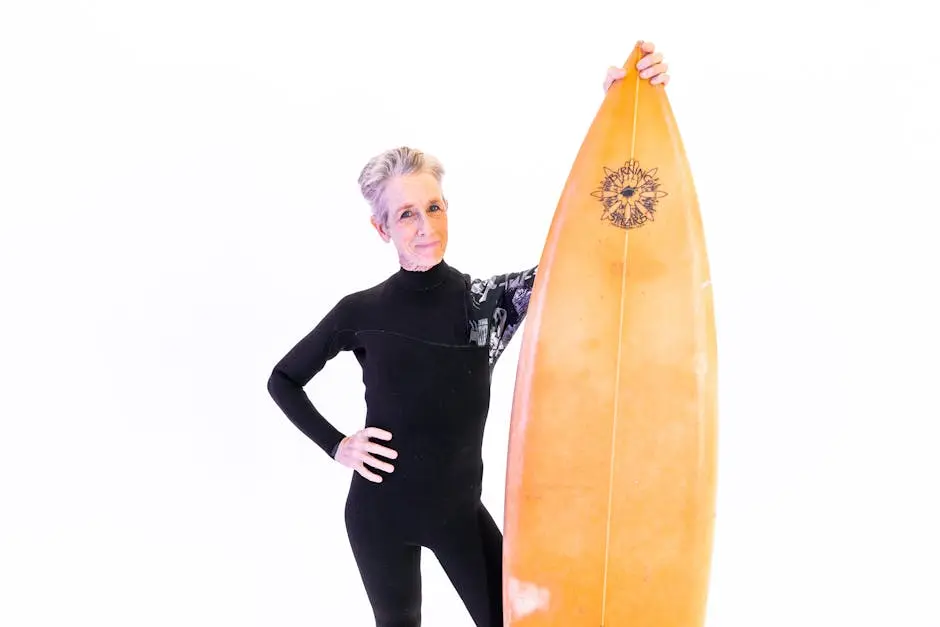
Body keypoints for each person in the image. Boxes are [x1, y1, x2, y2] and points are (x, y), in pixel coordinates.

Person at [266, 41, 671, 627]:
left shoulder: (487, 305)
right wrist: (338, 445)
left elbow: (585, 247)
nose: (425, 227)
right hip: (378, 517)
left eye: (434, 207)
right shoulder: (360, 311)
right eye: (406, 214)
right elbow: (283, 379)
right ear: (381, 228)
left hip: (459, 515)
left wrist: (626, 116)